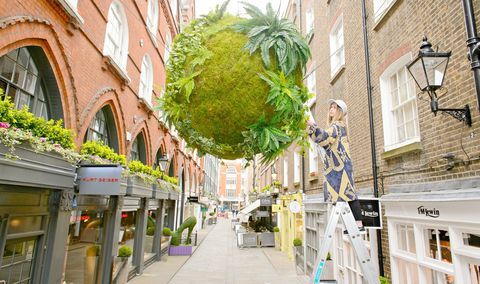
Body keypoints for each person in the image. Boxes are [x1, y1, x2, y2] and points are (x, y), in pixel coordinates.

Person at [306, 99, 364, 233]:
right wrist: (312, 128)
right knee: (346, 197)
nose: (331, 109)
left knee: (348, 196)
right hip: (339, 168)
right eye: (330, 107)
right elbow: (323, 141)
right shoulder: (339, 126)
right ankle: (354, 225)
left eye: (334, 107)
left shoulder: (337, 126)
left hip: (340, 169)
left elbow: (324, 138)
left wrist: (313, 126)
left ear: (339, 112)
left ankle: (358, 224)